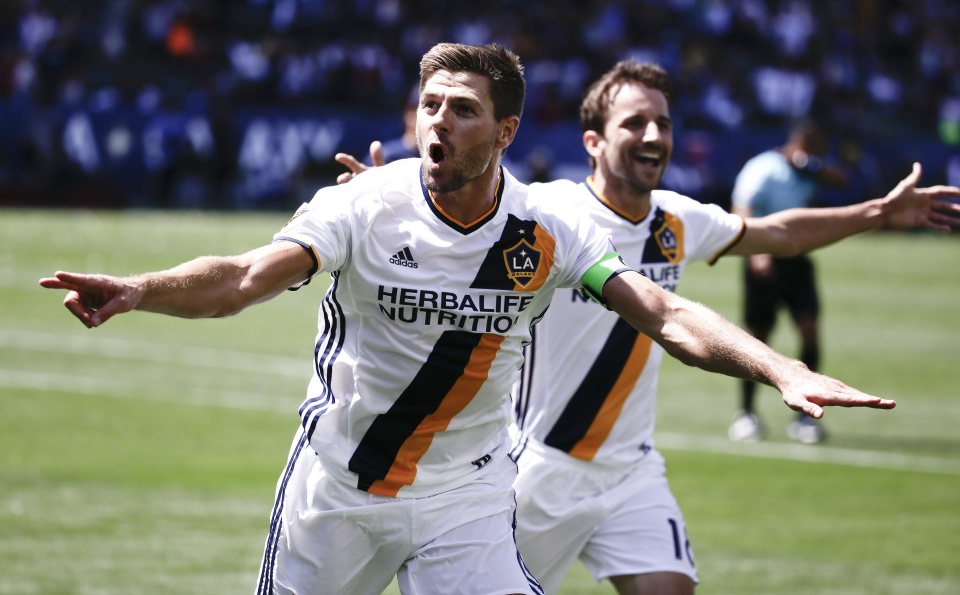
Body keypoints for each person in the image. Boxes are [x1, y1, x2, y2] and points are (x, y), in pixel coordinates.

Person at [42, 44, 898, 595]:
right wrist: (139, 289)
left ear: (505, 130)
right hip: (340, 490)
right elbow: (240, 279)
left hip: (469, 501)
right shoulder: (365, 208)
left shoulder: (545, 232)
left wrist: (781, 369)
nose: (438, 122)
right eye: (430, 105)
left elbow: (665, 310)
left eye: (462, 108)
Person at [336, 60, 958, 594]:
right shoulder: (551, 218)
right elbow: (460, 215)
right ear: (592, 143)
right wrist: (393, 206)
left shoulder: (677, 220)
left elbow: (782, 232)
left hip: (630, 471)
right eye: (634, 122)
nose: (653, 134)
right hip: (536, 472)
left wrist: (879, 211)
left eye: (662, 122)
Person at [727, 120, 846, 445]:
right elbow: (742, 206)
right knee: (757, 338)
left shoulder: (807, 169)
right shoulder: (764, 167)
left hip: (798, 261)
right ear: (801, 143)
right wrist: (756, 252)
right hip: (766, 258)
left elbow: (841, 179)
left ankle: (805, 418)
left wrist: (813, 167)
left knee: (809, 330)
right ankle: (746, 413)